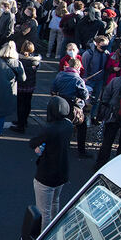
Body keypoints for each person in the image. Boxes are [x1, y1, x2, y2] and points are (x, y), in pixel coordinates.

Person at [28, 96, 73, 228]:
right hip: (62, 172)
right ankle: (54, 229)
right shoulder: (68, 125)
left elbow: (33, 143)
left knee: (43, 212)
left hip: (46, 174)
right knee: (55, 202)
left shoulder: (50, 130)